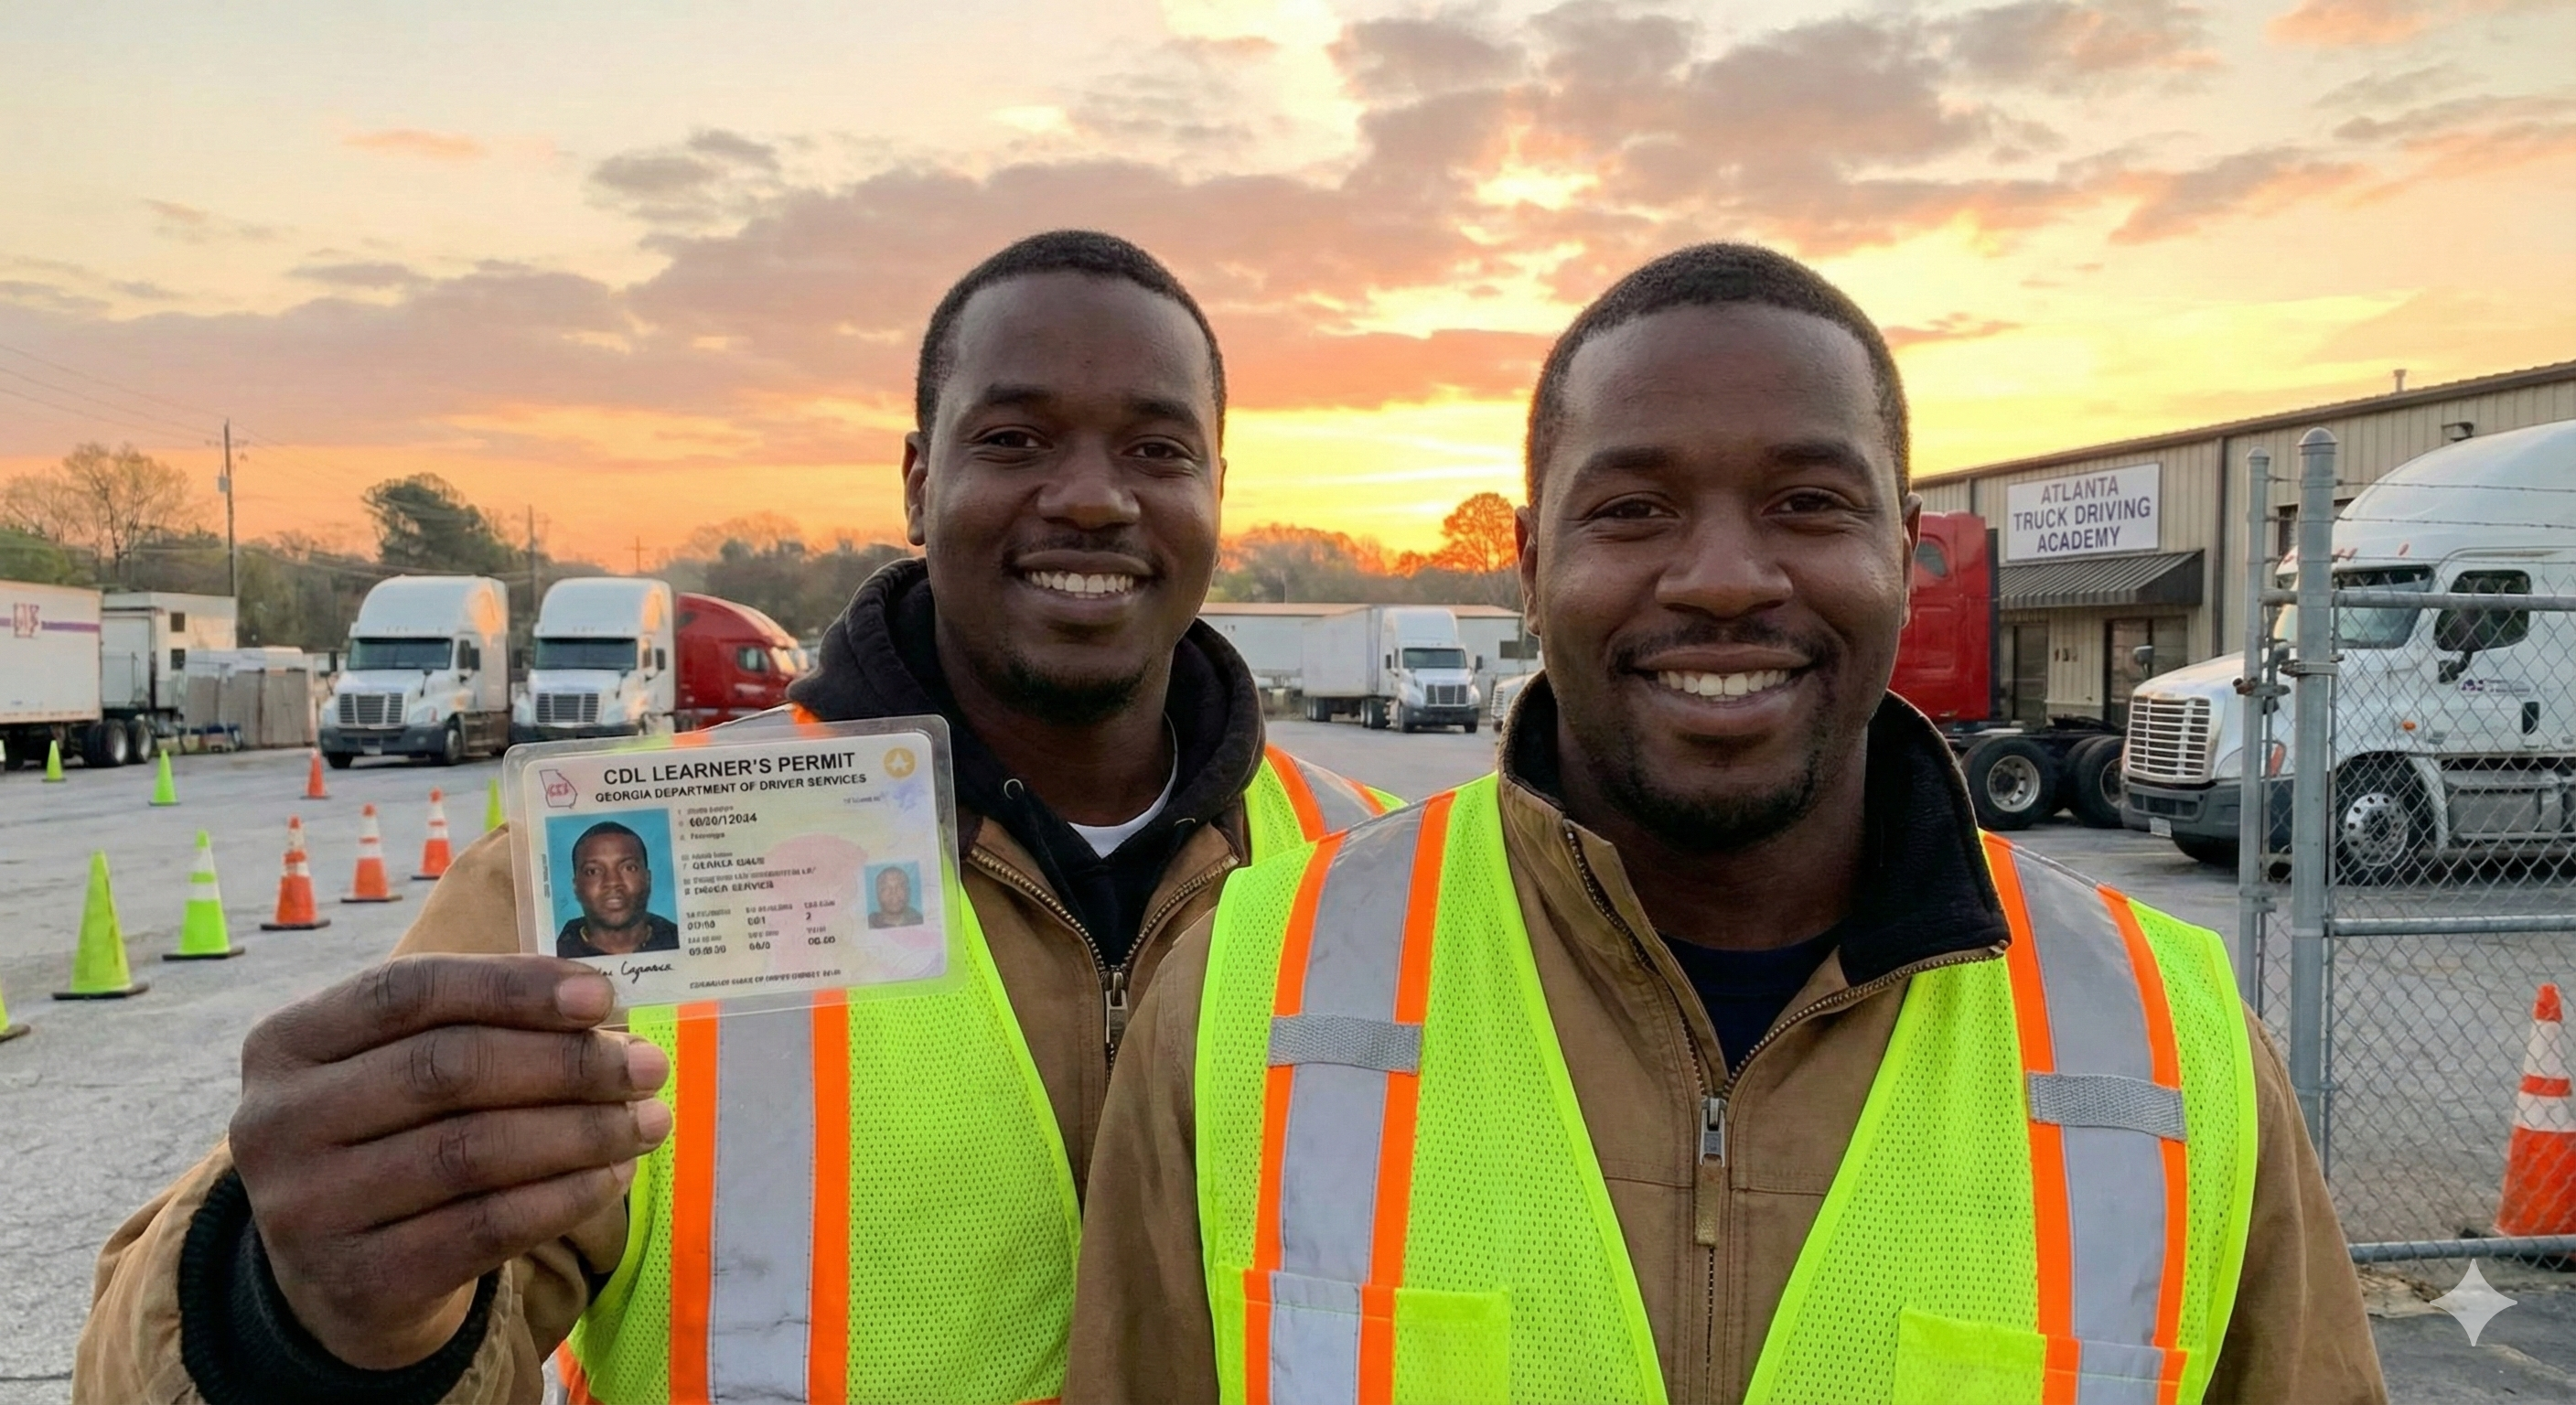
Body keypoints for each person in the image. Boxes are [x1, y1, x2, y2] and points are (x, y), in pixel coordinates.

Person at [74, 231, 1400, 1405]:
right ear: (915, 478)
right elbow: (210, 1351)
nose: (1095, 496)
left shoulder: (1375, 878)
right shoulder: (623, 854)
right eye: (1015, 439)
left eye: (1158, 450)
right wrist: (291, 1314)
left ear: (1218, 488)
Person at [1068, 244, 2388, 1403]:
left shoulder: (2174, 1050)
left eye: (1807, 504)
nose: (1723, 580)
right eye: (1633, 510)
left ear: (1904, 551)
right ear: (1530, 568)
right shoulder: (1245, 998)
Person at [553, 823, 681, 959]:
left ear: (648, 878)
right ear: (576, 886)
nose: (613, 882)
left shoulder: (681, 941)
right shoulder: (555, 958)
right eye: (593, 871)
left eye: (628, 868)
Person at [866, 864, 925, 929]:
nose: (894, 892)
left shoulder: (921, 921)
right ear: (878, 895)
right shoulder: (868, 925)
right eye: (886, 888)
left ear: (908, 891)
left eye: (900, 886)